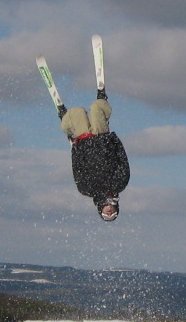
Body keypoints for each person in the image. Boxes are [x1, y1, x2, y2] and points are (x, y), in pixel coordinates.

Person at [38, 45, 129, 220]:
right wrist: (114, 140)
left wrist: (74, 147)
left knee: (76, 113)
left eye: (106, 213)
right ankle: (102, 98)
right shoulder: (120, 183)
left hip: (84, 142)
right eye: (112, 213)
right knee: (96, 109)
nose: (109, 211)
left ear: (100, 209)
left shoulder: (86, 189)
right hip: (102, 138)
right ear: (116, 208)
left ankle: (65, 118)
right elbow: (122, 159)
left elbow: (77, 167)